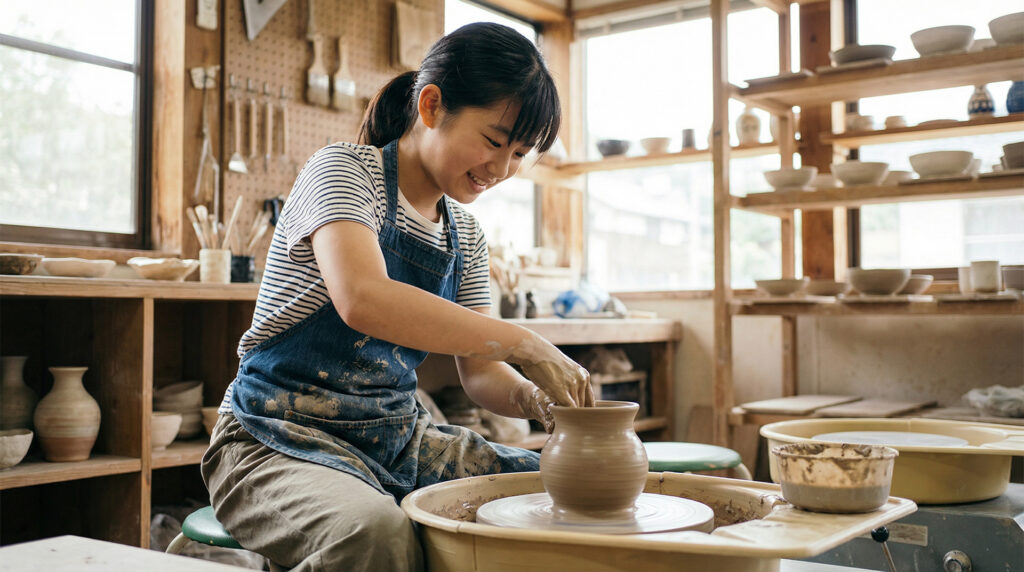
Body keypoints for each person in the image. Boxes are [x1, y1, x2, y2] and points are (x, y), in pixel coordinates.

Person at [202, 22, 593, 572]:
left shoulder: (466, 236)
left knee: (553, 494)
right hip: (273, 437)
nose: (502, 169)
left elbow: (481, 373)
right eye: (494, 141)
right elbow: (364, 299)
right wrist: (528, 345)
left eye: (521, 153)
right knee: (375, 534)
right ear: (431, 106)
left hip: (395, 438)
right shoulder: (342, 172)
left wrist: (538, 402)